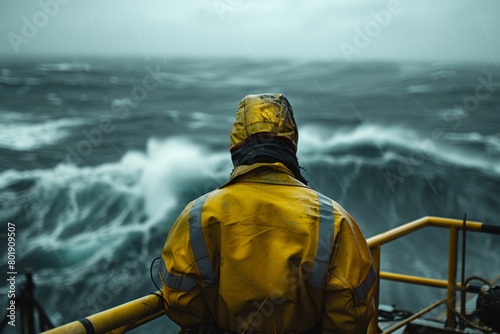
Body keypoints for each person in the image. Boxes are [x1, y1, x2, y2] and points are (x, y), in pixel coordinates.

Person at [159, 93, 376, 333]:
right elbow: (351, 312)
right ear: (292, 143)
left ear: (236, 144)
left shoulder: (198, 214)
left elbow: (180, 300)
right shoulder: (333, 218)